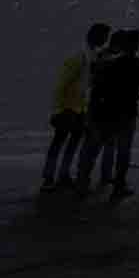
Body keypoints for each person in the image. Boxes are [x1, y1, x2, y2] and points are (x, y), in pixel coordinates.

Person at [78, 30, 139, 199]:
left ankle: (83, 183)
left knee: (93, 149)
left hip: (106, 113)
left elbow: (96, 90)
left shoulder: (107, 64)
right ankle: (119, 186)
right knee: (123, 152)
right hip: (127, 114)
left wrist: (91, 113)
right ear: (137, 46)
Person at [43, 22, 108, 190]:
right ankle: (50, 177)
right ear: (96, 36)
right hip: (68, 109)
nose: (105, 40)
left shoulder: (90, 55)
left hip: (79, 109)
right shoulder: (79, 56)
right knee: (60, 142)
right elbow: (61, 85)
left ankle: (61, 175)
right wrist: (58, 109)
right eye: (104, 37)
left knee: (68, 143)